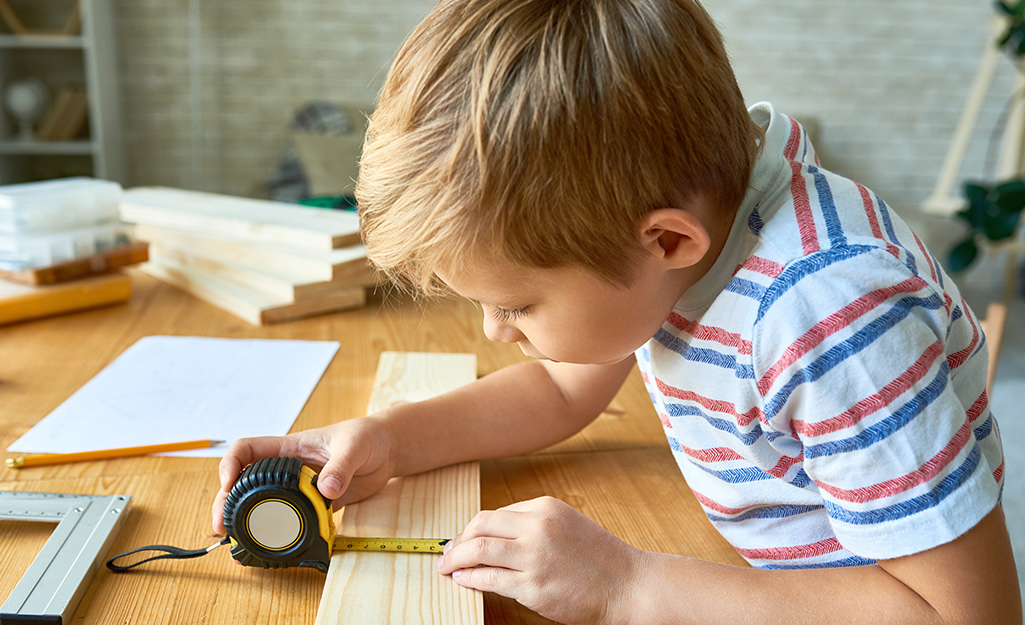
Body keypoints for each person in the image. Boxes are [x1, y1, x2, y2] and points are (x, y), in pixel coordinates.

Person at [213, 0, 1022, 622]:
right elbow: (564, 387)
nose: (497, 330)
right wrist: (391, 437)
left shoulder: (825, 318)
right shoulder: (694, 223)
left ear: (664, 242)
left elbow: (964, 613)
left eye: (517, 303)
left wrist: (627, 583)